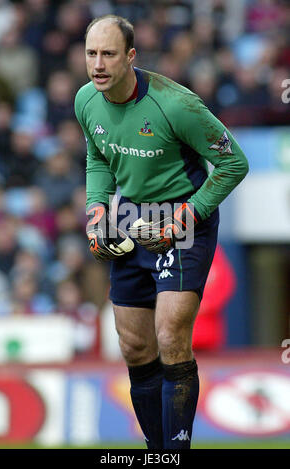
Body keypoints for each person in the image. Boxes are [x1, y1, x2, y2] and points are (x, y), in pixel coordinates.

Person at [74, 14, 249, 449]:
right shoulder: (85, 101)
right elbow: (98, 158)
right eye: (92, 53)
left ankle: (176, 452)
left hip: (184, 217)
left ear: (131, 56)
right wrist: (98, 211)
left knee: (170, 335)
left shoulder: (176, 104)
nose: (98, 63)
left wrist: (185, 218)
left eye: (109, 54)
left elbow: (234, 163)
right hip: (129, 216)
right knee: (134, 346)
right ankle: (158, 454)